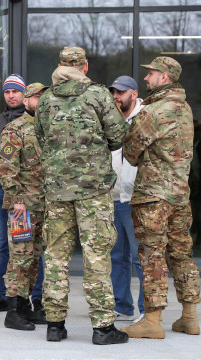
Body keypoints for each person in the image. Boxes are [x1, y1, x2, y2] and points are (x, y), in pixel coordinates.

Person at [34, 47, 129, 345]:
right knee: (97, 256)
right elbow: (118, 137)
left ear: (60, 65)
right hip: (93, 192)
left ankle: (54, 325)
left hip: (57, 191)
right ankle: (102, 329)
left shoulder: (46, 98)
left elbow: (40, 136)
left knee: (56, 258)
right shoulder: (98, 95)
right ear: (84, 67)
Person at [120, 57, 200, 339]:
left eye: (151, 73)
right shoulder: (185, 108)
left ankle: (152, 321)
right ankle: (189, 317)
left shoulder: (153, 111)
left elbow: (130, 153)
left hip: (153, 196)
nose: (146, 78)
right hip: (180, 195)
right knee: (181, 254)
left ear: (164, 77)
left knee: (152, 255)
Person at [0, 83, 49, 330]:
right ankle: (13, 311)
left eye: (43, 96)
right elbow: (7, 168)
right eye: (36, 97)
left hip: (42, 206)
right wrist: (16, 198)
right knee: (20, 257)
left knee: (34, 257)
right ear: (26, 101)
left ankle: (26, 305)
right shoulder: (15, 129)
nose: (40, 100)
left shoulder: (47, 128)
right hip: (22, 208)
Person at [0, 74, 27, 313]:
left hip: (24, 195)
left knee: (26, 245)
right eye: (7, 92)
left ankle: (28, 297)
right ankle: (3, 294)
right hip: (1, 193)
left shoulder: (32, 119)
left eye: (15, 91)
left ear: (23, 93)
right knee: (2, 246)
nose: (11, 96)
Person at [108, 76, 145, 323]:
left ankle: (146, 310)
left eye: (120, 92)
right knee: (117, 257)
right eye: (114, 93)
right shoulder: (112, 120)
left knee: (140, 257)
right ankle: (123, 306)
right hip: (113, 198)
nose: (116, 97)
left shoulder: (145, 119)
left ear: (133, 93)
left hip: (135, 199)